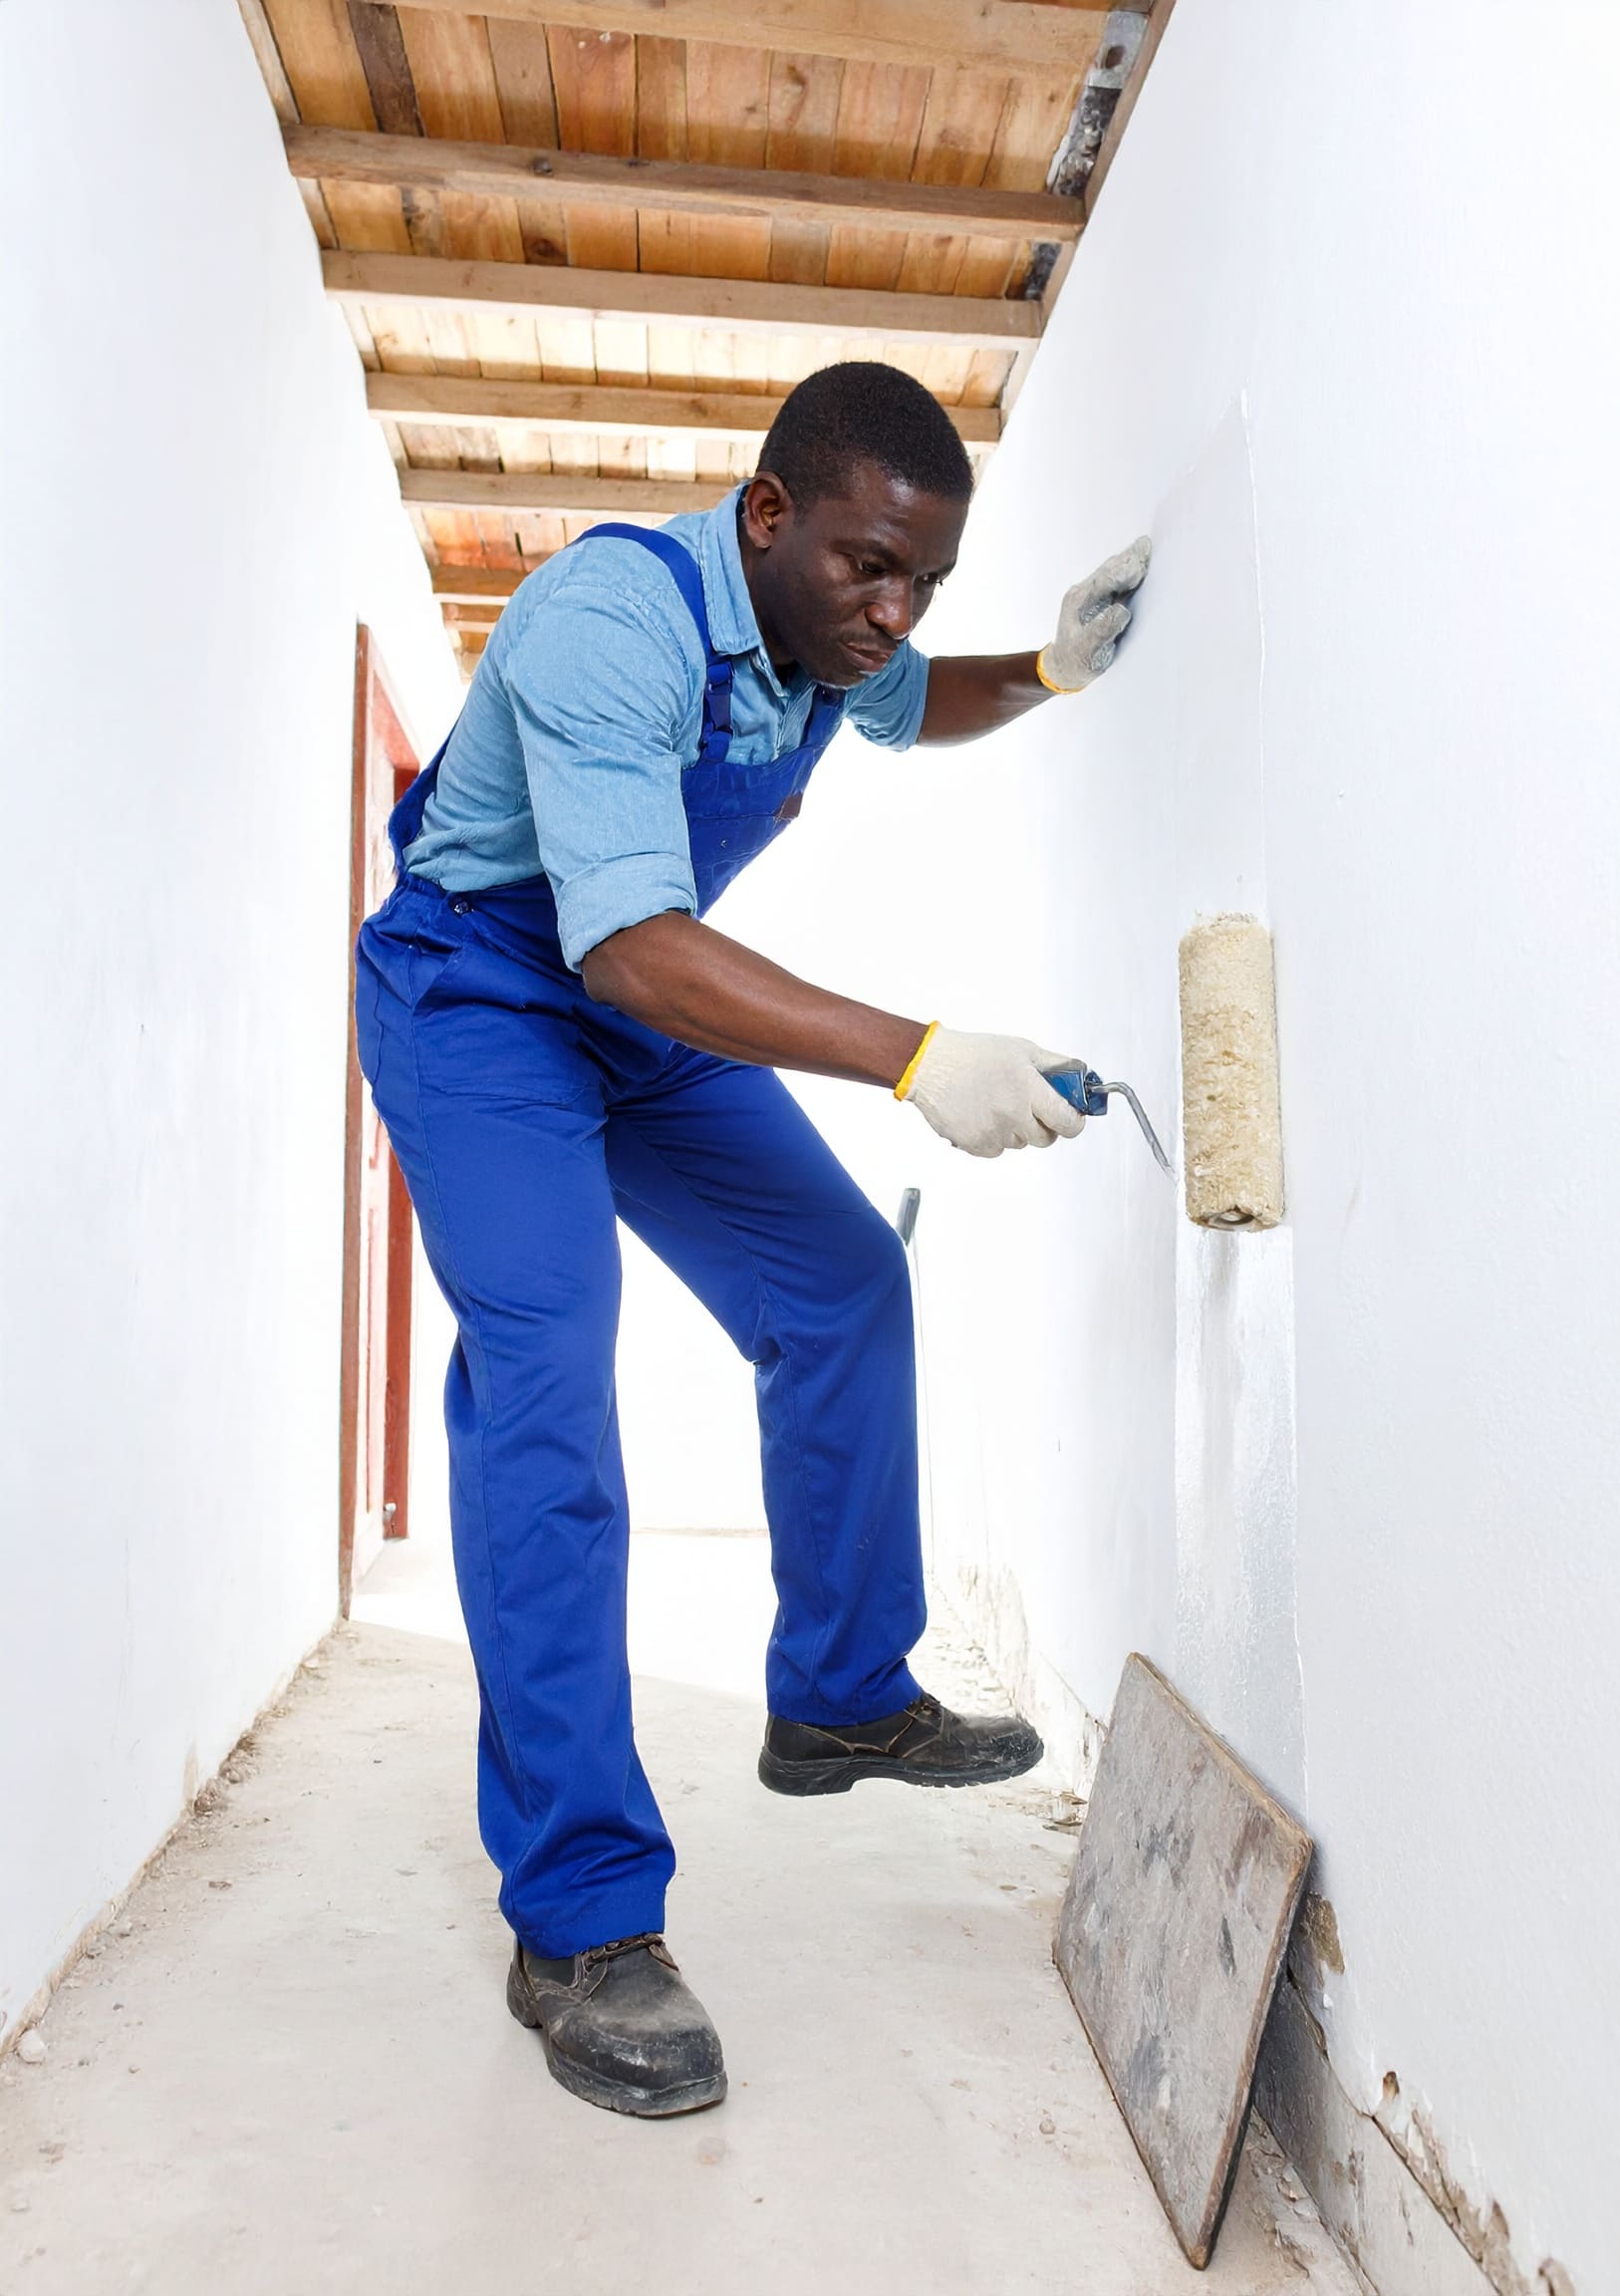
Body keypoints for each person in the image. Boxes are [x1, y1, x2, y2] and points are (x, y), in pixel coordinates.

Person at [356, 361, 1149, 2119]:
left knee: (843, 1283)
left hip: (627, 998)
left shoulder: (830, 647)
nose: (896, 612)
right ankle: (580, 1921)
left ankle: (843, 1693)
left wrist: (1041, 673)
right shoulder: (609, 621)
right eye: (873, 567)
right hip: (490, 992)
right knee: (553, 1388)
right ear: (770, 518)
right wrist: (918, 1056)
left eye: (924, 580)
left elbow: (909, 697)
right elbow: (633, 942)